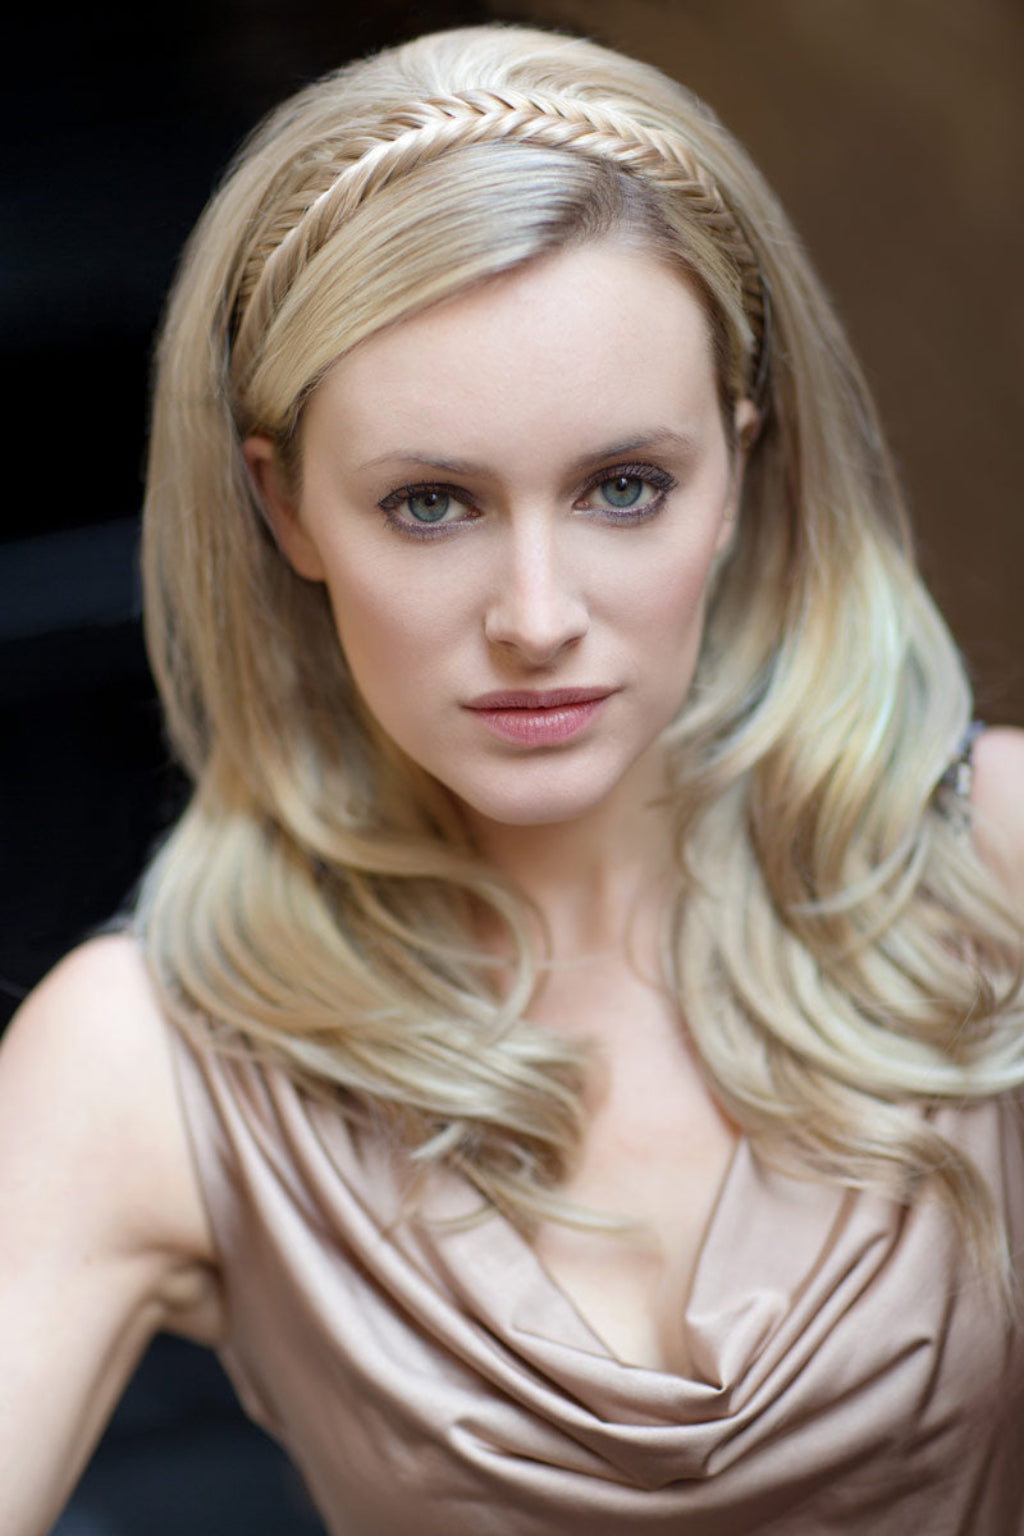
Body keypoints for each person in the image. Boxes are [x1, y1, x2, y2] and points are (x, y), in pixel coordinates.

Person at [2, 21, 1023, 1534]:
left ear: (739, 468)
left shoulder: (998, 864)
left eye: (626, 487)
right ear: (283, 509)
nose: (538, 617)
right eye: (431, 504)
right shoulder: (141, 1062)